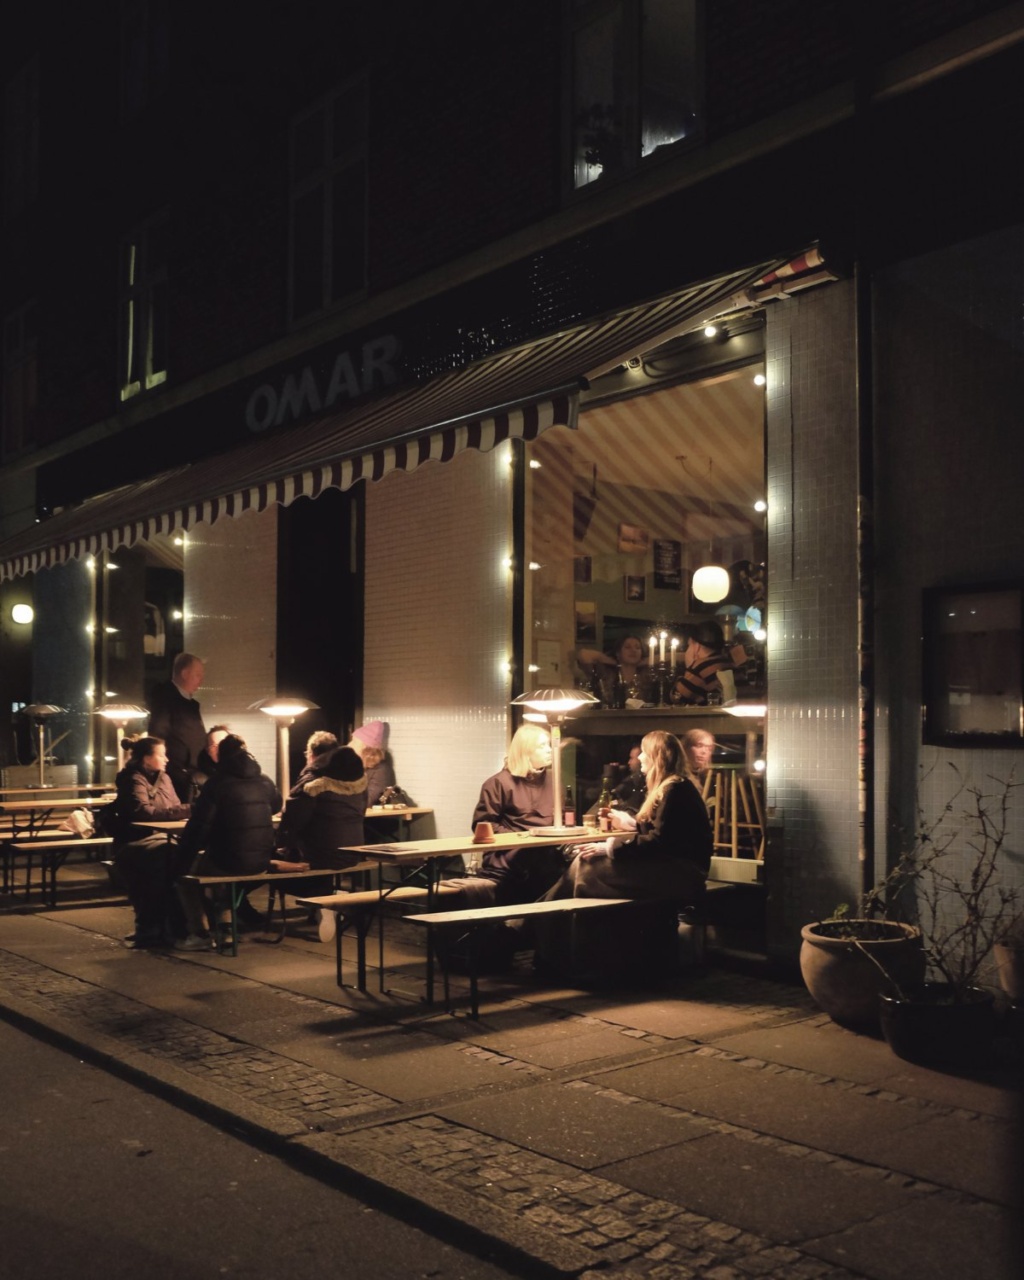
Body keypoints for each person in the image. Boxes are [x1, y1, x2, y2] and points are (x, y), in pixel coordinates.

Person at [543, 729, 711, 906]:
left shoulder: (675, 789)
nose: (640, 758)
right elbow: (669, 834)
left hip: (681, 875)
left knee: (585, 869)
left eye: (644, 753)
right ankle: (543, 920)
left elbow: (659, 842)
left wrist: (609, 847)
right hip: (674, 869)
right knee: (583, 865)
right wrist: (630, 824)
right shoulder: (674, 786)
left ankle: (545, 923)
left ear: (657, 757)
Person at [173, 734, 283, 950]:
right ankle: (226, 930)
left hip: (228, 860)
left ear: (222, 757)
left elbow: (199, 827)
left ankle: (200, 933)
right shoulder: (264, 780)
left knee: (186, 879)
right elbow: (277, 805)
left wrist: (182, 859)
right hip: (261, 860)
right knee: (224, 875)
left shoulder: (216, 784)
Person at [109, 736, 191, 949]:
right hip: (137, 839)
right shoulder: (132, 779)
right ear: (146, 758)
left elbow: (172, 805)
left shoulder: (164, 778)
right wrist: (183, 810)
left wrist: (176, 811)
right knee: (156, 871)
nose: (166, 759)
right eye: (161, 754)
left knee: (173, 865)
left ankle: (164, 927)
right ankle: (151, 929)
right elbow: (143, 811)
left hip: (163, 837)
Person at [469, 722, 563, 905]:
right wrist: (524, 839)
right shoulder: (498, 784)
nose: (549, 750)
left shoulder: (554, 781)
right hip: (511, 861)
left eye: (549, 745)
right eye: (542, 746)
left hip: (547, 860)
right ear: (526, 751)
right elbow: (484, 827)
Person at [277, 734, 367, 869]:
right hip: (355, 853)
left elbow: (293, 820)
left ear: (312, 753)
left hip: (320, 855)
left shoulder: (312, 782)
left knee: (270, 859)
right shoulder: (359, 779)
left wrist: (281, 843)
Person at [147, 652, 207, 802]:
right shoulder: (165, 698)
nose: (201, 680)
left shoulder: (191, 704)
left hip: (193, 772)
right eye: (197, 675)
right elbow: (158, 734)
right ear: (185, 674)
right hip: (177, 776)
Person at [669, 621, 744, 706]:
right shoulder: (731, 665)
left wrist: (690, 667)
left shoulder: (700, 667)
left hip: (710, 718)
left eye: (689, 645)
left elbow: (676, 698)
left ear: (697, 646)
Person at [348, 720, 396, 805]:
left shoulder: (381, 770)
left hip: (370, 817)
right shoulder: (353, 764)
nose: (349, 745)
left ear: (365, 747)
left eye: (354, 741)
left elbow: (368, 800)